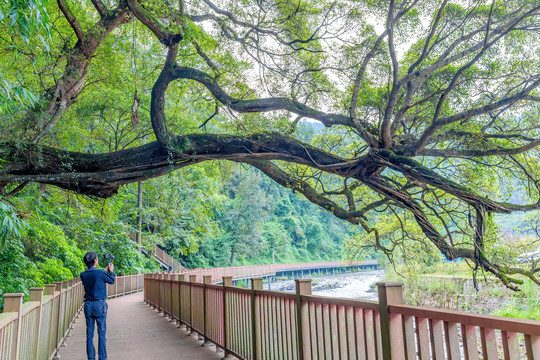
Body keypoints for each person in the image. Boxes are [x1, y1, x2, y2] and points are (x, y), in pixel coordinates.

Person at [80, 251, 115, 360]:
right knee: (101, 333)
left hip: (88, 305)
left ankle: (91, 358)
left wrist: (104, 271)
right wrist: (111, 271)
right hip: (99, 305)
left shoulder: (83, 275)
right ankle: (102, 357)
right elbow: (111, 280)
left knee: (89, 334)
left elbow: (94, 277)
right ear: (95, 261)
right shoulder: (100, 273)